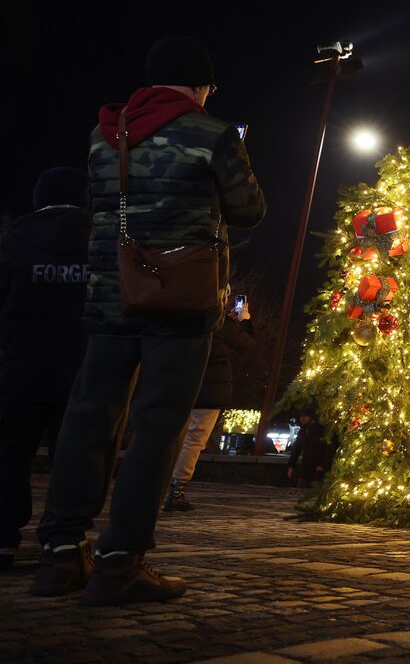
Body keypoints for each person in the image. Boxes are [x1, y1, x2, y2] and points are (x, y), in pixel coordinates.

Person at [33, 37, 266, 604]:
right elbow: (249, 211)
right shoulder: (211, 134)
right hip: (180, 301)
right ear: (199, 85)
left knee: (89, 420)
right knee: (158, 428)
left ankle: (61, 554)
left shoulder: (104, 134)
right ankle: (119, 561)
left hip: (110, 295)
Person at [0, 169, 92, 570]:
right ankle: (62, 542)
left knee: (9, 456)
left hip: (19, 367)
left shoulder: (14, 241)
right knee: (72, 459)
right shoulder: (98, 239)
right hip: (81, 368)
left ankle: (2, 540)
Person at [165, 296, 255, 511]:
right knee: (194, 440)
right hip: (210, 390)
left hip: (178, 385)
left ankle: (156, 487)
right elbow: (249, 345)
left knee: (171, 436)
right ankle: (176, 490)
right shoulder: (221, 323)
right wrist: (244, 320)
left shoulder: (181, 315)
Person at [286, 408, 335, 488]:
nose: (302, 418)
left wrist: (323, 465)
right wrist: (291, 466)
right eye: (301, 416)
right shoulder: (303, 430)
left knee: (315, 493)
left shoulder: (321, 430)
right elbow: (296, 449)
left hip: (319, 469)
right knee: (300, 490)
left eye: (305, 416)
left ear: (311, 417)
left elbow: (329, 450)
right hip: (306, 468)